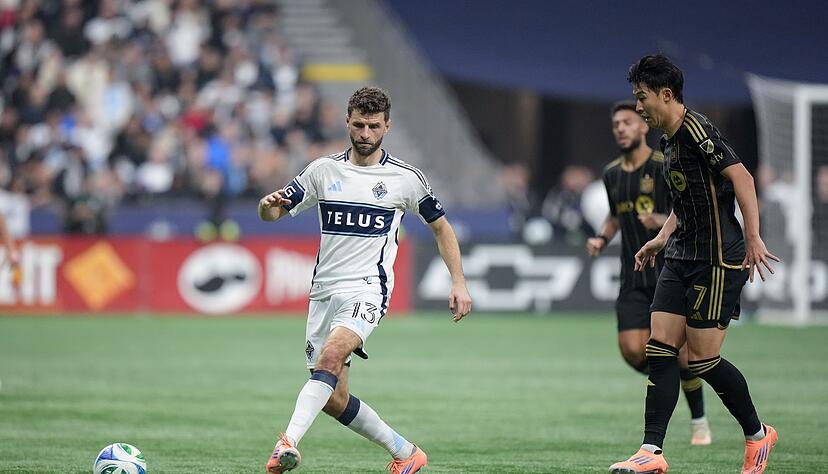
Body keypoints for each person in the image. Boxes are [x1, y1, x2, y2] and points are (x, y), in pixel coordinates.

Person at [257, 87, 472, 474]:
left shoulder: (406, 180)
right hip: (323, 293)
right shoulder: (323, 171)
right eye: (359, 125)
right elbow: (274, 212)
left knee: (331, 356)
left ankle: (286, 443)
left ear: (387, 126)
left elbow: (441, 228)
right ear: (348, 122)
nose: (365, 134)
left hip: (367, 289)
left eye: (374, 126)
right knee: (334, 398)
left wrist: (458, 281)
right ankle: (406, 453)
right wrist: (265, 207)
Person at [608, 54, 780, 474]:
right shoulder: (667, 139)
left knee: (702, 361)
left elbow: (743, 179)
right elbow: (686, 202)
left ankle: (758, 436)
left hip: (718, 259)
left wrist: (754, 237)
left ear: (666, 95)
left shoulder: (698, 132)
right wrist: (661, 238)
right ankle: (651, 451)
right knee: (660, 347)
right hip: (681, 253)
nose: (638, 107)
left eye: (642, 97)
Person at [586, 102, 711, 446]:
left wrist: (661, 223)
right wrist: (601, 237)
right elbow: (615, 215)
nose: (621, 129)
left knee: (678, 354)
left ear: (643, 127)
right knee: (631, 349)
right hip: (632, 275)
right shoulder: (612, 173)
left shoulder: (663, 165)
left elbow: (687, 207)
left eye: (627, 122)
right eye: (616, 125)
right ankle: (669, 376)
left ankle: (698, 419)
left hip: (667, 271)